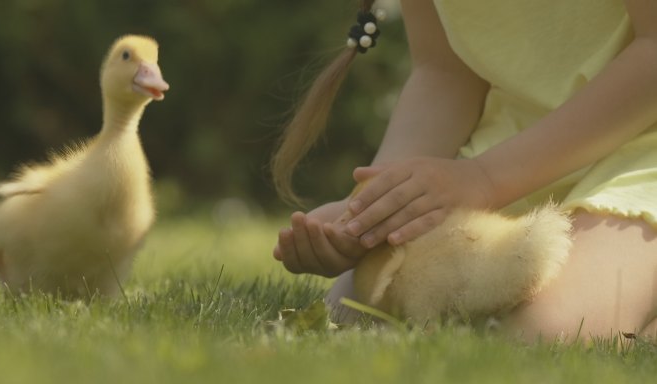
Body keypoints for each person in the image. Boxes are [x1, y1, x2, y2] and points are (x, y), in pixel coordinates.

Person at [271, 0, 657, 341]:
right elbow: (444, 72)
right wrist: (370, 211)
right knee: (351, 311)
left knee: (547, 331)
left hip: (641, 150)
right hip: (506, 149)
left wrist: (486, 178)